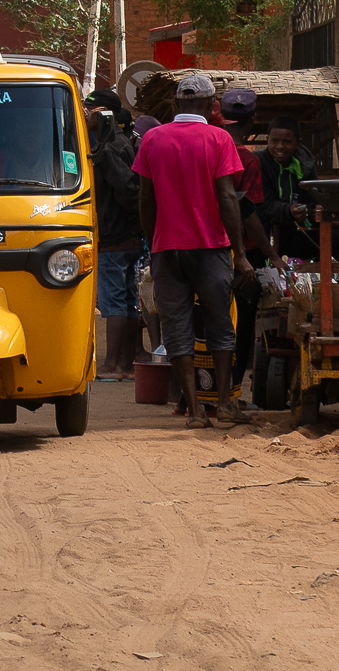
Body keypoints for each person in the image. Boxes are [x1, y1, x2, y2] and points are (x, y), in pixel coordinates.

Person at [133, 75, 253, 429]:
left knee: (177, 330)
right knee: (220, 327)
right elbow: (228, 197)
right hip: (210, 247)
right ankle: (224, 406)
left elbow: (144, 198)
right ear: (211, 105)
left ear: (176, 104)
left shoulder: (153, 139)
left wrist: (153, 241)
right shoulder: (219, 139)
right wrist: (240, 252)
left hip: (167, 249)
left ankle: (195, 412)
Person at [86, 89, 146, 380]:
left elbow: (127, 190)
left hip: (115, 239)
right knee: (128, 300)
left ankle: (113, 364)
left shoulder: (109, 149)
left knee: (113, 303)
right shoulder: (120, 143)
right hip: (127, 236)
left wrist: (123, 221)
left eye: (91, 111)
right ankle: (127, 362)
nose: (86, 117)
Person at [254, 119, 323, 262]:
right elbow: (263, 204)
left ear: (298, 143)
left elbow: (315, 196)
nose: (280, 146)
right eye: (274, 141)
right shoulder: (259, 162)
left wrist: (309, 209)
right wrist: (288, 210)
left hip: (298, 229)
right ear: (267, 140)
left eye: (287, 142)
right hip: (265, 231)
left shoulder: (305, 164)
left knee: (332, 239)